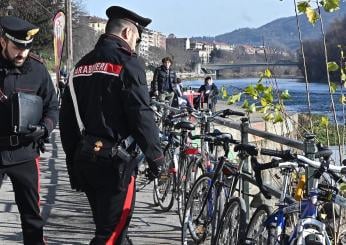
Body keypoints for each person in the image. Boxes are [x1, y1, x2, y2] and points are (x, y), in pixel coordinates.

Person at [59, 6, 164, 244]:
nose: (135, 45)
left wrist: (73, 163)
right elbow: (141, 116)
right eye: (136, 39)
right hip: (116, 165)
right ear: (127, 34)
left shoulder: (80, 67)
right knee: (110, 235)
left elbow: (66, 121)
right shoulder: (128, 64)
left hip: (85, 159)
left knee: (110, 228)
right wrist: (156, 159)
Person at [0, 16, 59, 244]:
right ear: (3, 41)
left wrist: (45, 129)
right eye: (17, 47)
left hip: (25, 154)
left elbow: (52, 107)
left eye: (26, 48)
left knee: (32, 217)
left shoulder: (38, 70)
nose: (22, 54)